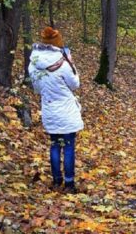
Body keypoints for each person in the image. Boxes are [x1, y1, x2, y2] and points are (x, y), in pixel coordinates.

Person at [28, 26, 83, 193]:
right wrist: (73, 65)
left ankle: (56, 181)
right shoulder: (63, 64)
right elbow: (75, 85)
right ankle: (69, 184)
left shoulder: (33, 64)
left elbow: (37, 89)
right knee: (68, 146)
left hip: (49, 110)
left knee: (54, 145)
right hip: (66, 111)